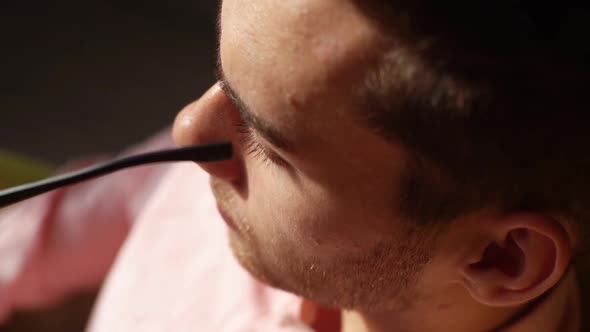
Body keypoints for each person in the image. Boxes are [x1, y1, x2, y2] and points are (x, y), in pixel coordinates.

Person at [1, 0, 589, 331]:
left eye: (272, 144)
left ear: (500, 258)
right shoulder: (240, 170)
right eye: (225, 78)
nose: (189, 127)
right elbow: (115, 204)